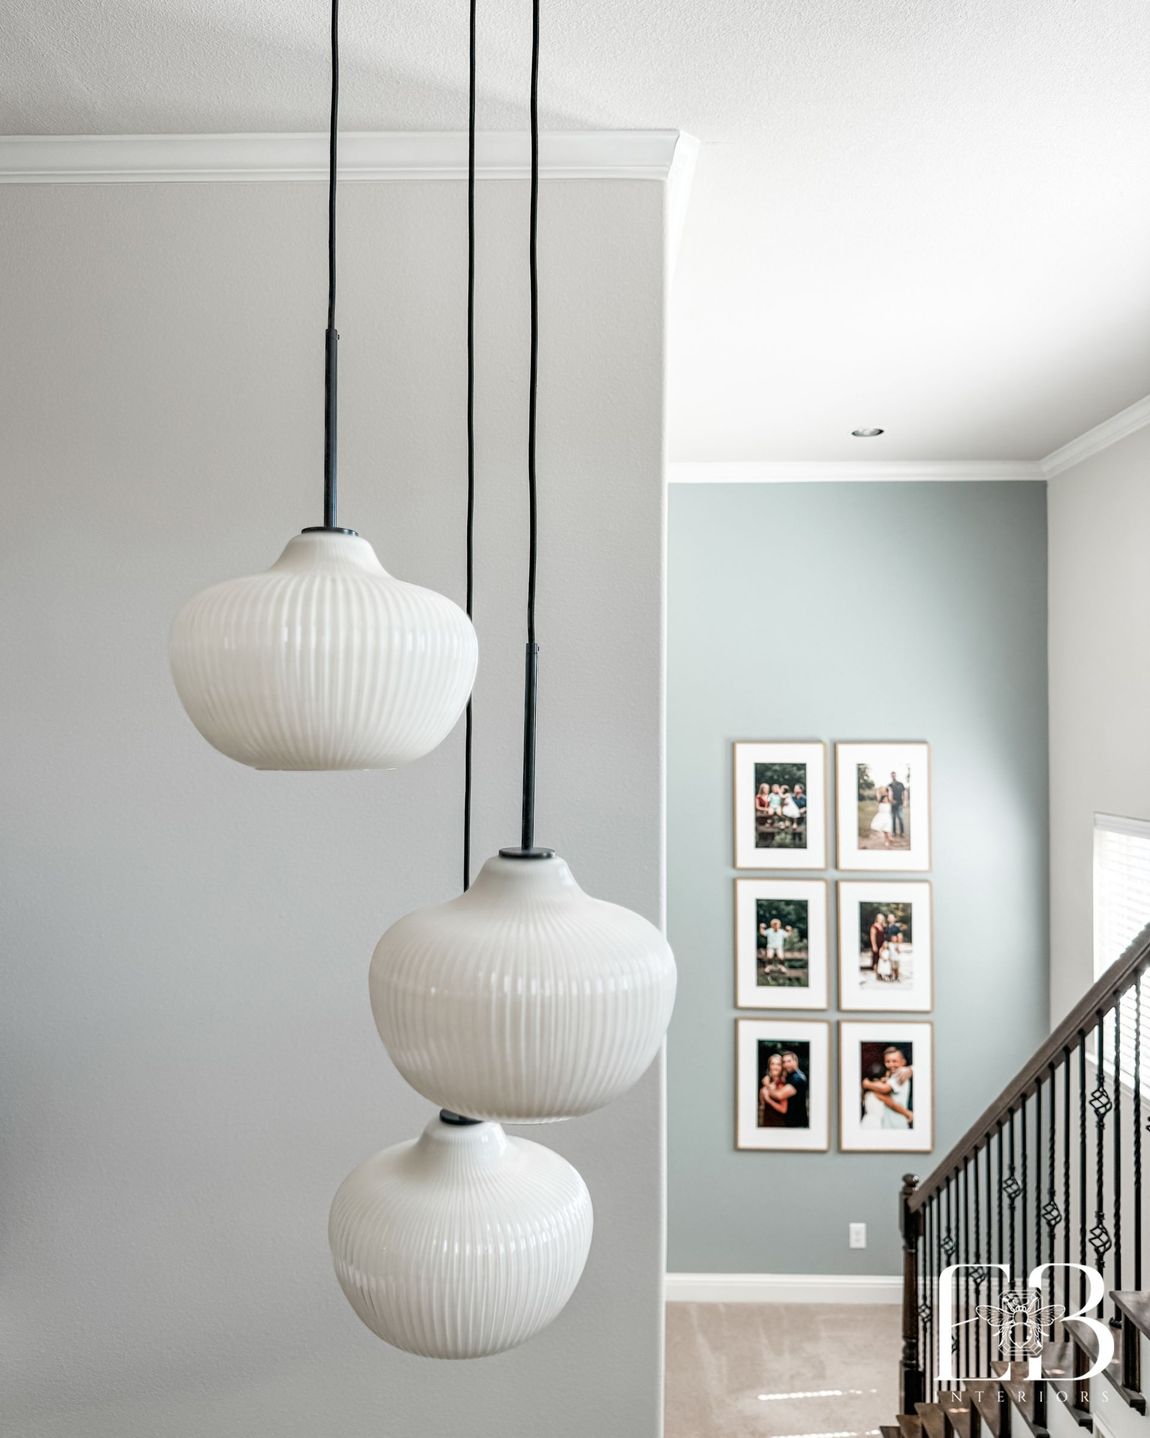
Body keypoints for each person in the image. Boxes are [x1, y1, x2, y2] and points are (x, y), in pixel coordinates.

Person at [861, 1046, 914, 1129]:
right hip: (889, 1124)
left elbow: (885, 1089)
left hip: (897, 1124)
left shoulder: (901, 1074)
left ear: (903, 1062)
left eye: (894, 1061)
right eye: (887, 1061)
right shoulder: (891, 1077)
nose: (891, 1064)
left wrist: (866, 1084)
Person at [779, 1049, 809, 1128]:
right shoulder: (791, 1075)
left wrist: (767, 1087)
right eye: (784, 1062)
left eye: (789, 1061)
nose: (786, 1064)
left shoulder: (798, 1078)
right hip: (791, 1122)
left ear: (796, 1061)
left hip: (798, 1124)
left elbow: (779, 1095)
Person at [759, 1053, 788, 1127]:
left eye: (778, 1064)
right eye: (773, 1064)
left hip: (779, 1124)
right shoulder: (767, 1082)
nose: (775, 1067)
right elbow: (762, 1106)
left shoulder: (782, 1084)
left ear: (782, 1067)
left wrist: (768, 1099)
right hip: (767, 1122)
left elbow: (783, 1109)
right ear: (769, 1066)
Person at [888, 771, 907, 840]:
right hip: (893, 804)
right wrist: (891, 801)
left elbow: (905, 793)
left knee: (900, 817)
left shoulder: (900, 784)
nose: (893, 776)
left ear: (896, 776)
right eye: (892, 775)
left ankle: (902, 833)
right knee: (893, 818)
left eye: (894, 775)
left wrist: (905, 801)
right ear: (891, 776)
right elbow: (888, 795)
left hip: (900, 803)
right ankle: (894, 832)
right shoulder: (889, 785)